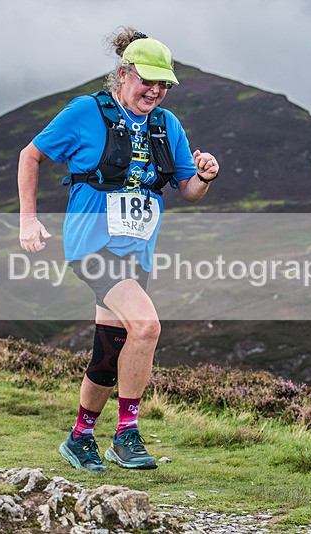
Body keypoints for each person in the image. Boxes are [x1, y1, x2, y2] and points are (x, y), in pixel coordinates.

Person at [17, 27, 219, 471]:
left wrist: (203, 175)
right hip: (92, 244)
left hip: (137, 252)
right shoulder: (85, 112)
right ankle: (127, 434)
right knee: (146, 326)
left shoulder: (168, 126)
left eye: (164, 83)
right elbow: (30, 155)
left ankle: (79, 438)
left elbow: (187, 191)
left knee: (109, 353)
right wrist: (28, 220)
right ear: (124, 74)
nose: (156, 91)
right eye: (147, 80)